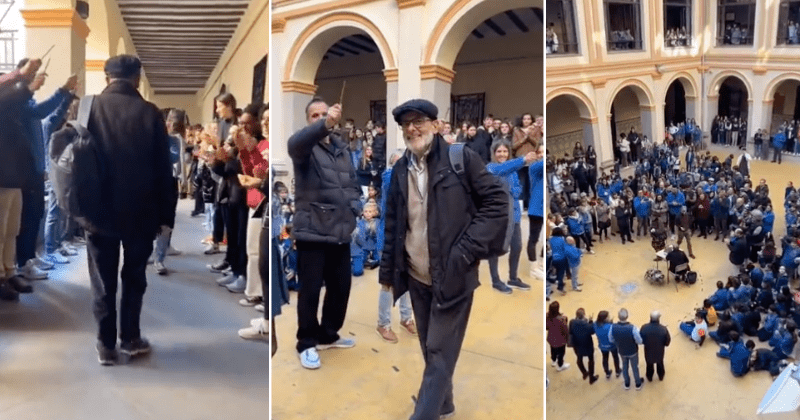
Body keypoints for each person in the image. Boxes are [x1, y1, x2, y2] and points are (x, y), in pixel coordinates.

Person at [379, 99, 508, 420]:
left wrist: (465, 251)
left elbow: (497, 201)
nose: (412, 128)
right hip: (416, 276)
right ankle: (445, 404)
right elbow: (394, 224)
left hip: (454, 276)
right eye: (406, 124)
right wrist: (387, 273)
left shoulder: (460, 158)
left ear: (436, 125)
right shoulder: (399, 170)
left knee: (438, 351)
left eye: (419, 120)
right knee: (429, 347)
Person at [85, 55, 176, 365]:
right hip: (141, 212)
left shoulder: (88, 106)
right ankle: (130, 338)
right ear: (138, 78)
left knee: (102, 279)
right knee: (134, 276)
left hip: (98, 213)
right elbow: (165, 171)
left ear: (105, 75)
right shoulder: (151, 113)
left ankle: (105, 344)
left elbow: (72, 160)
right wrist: (167, 218)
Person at [287, 97, 361, 370]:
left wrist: (355, 207)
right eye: (314, 115)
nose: (320, 118)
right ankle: (306, 342)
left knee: (341, 287)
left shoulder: (342, 149)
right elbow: (295, 143)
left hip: (340, 230)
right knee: (310, 292)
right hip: (313, 231)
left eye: (324, 114)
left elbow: (352, 183)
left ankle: (328, 334)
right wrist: (324, 125)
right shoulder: (304, 148)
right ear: (308, 121)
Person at [609, 308, 644, 390]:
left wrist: (618, 342)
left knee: (624, 366)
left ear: (618, 317)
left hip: (622, 351)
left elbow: (611, 339)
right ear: (627, 316)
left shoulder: (613, 327)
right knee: (635, 367)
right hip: (633, 351)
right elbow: (639, 341)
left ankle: (627, 383)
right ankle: (638, 383)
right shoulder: (632, 328)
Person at [569, 308, 599, 384]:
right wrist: (590, 322)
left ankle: (584, 373)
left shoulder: (572, 322)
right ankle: (591, 378)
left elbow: (570, 331)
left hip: (577, 345)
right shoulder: (587, 325)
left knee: (579, 359)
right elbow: (592, 331)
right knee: (591, 360)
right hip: (587, 345)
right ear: (584, 315)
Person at [640, 311, 671, 382]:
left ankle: (649, 377)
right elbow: (667, 342)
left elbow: (641, 340)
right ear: (658, 319)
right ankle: (661, 376)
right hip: (659, 352)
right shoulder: (663, 329)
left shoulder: (644, 328)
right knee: (660, 364)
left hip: (648, 352)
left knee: (649, 365)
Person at [594, 311, 621, 379]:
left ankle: (607, 373)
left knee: (605, 358)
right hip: (612, 346)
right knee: (615, 357)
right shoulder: (610, 326)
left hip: (602, 346)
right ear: (605, 318)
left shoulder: (595, 324)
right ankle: (617, 371)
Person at [547, 301, 570, 372]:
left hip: (551, 338)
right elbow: (565, 330)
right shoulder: (561, 319)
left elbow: (546, 327)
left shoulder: (547, 316)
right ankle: (560, 365)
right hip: (560, 340)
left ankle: (553, 361)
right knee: (561, 353)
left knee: (553, 350)